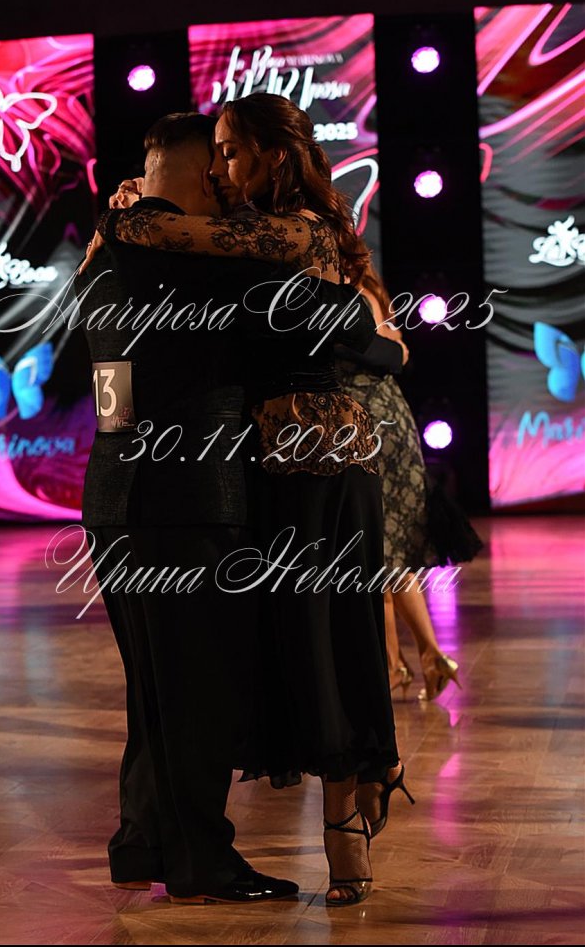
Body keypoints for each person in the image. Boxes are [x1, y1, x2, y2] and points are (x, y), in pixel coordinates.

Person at [89, 93, 407, 906]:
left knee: (156, 688)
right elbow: (335, 320)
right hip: (195, 494)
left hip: (116, 493)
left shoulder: (104, 256)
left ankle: (142, 840)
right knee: (198, 687)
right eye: (221, 158)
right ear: (203, 174)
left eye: (239, 153)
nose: (229, 177)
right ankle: (202, 859)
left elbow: (98, 368)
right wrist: (370, 333)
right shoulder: (188, 253)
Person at [335, 266, 482, 701]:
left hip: (369, 422)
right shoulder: (370, 290)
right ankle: (422, 658)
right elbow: (395, 349)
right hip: (386, 418)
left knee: (375, 555)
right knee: (387, 555)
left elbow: (388, 351)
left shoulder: (349, 295)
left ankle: (398, 666)